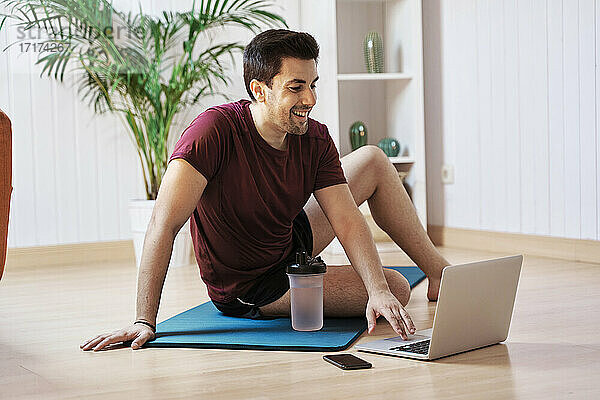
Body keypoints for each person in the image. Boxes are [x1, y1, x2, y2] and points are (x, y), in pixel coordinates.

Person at [81, 29, 449, 352]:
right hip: (252, 284)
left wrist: (375, 289)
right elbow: (163, 224)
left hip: (289, 240)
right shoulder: (213, 133)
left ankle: (439, 273)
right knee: (397, 287)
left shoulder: (313, 137)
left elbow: (347, 220)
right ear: (259, 90)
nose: (310, 99)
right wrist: (144, 320)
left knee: (372, 160)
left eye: (313, 84)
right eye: (296, 87)